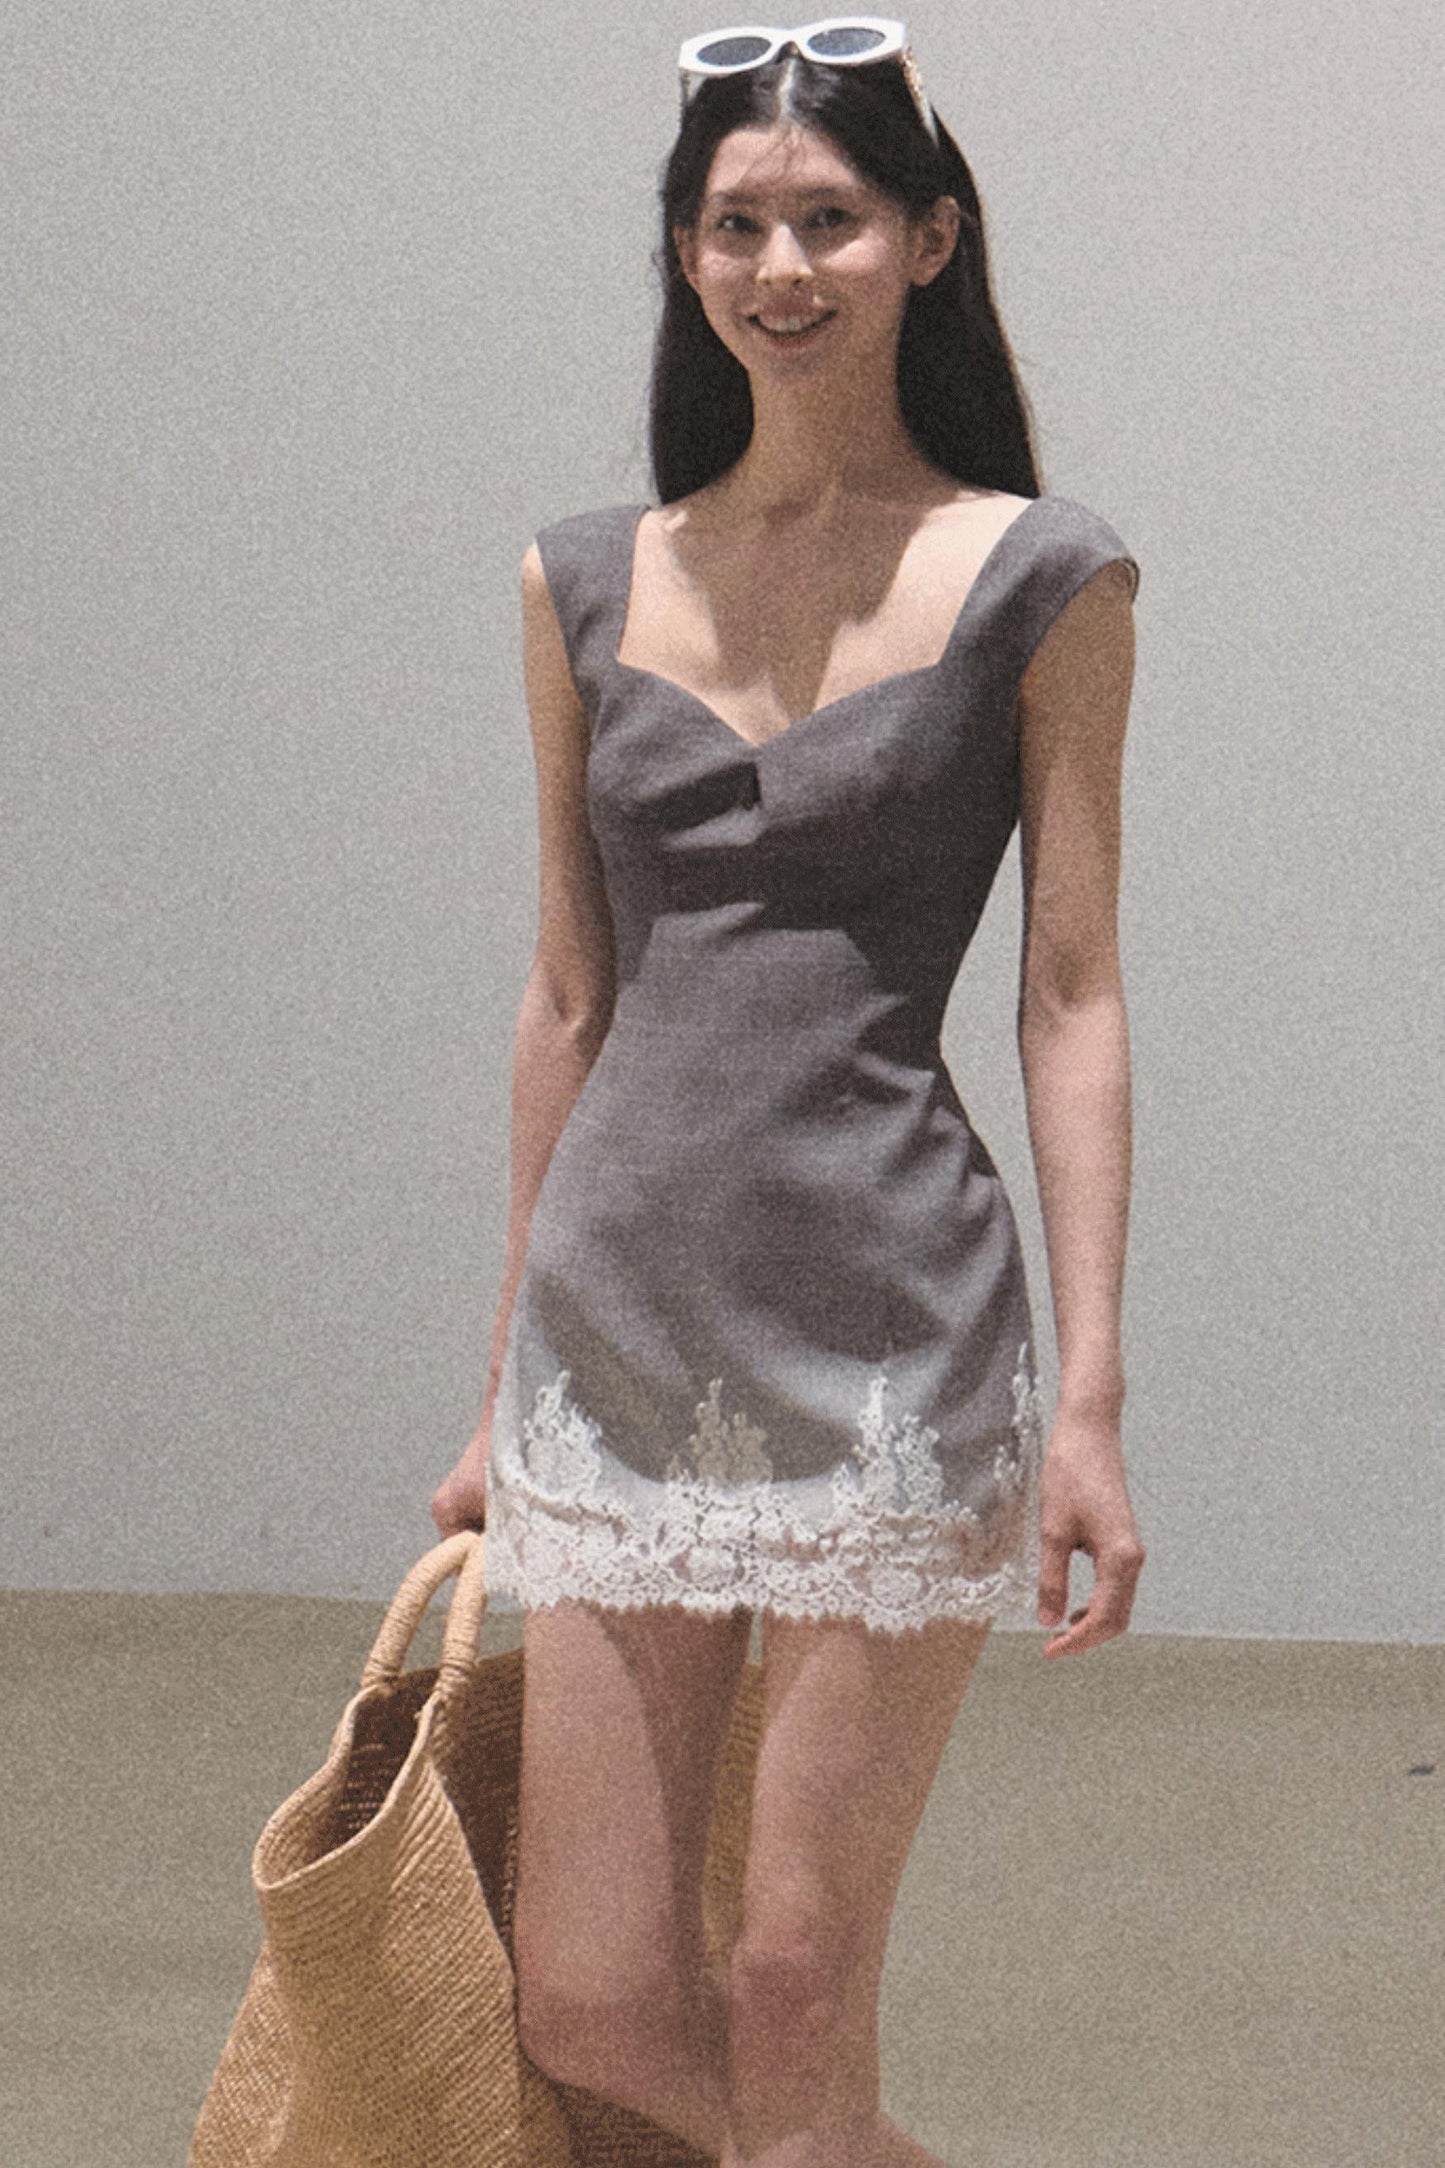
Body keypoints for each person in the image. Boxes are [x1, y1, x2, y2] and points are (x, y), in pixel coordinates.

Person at [431, 20, 1146, 2166]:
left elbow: (1073, 997)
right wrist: (493, 1391)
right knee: (587, 2001)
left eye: (827, 219)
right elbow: (568, 998)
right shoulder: (579, 579)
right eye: (733, 224)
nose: (779, 265)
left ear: (928, 238)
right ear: (685, 254)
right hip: (614, 1338)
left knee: (792, 1990)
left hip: (891, 1334)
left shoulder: (1046, 576)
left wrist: (1089, 1403)